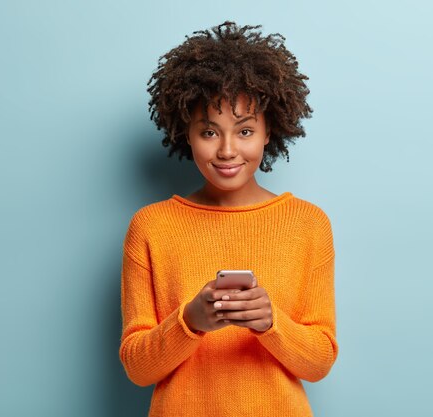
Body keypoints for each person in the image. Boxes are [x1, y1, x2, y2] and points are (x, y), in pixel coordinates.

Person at [119, 21, 338, 417]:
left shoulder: (308, 224)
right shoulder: (151, 227)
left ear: (269, 131)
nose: (227, 150)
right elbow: (137, 367)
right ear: (185, 132)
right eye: (209, 132)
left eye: (245, 130)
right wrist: (190, 321)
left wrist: (272, 324)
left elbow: (319, 362)